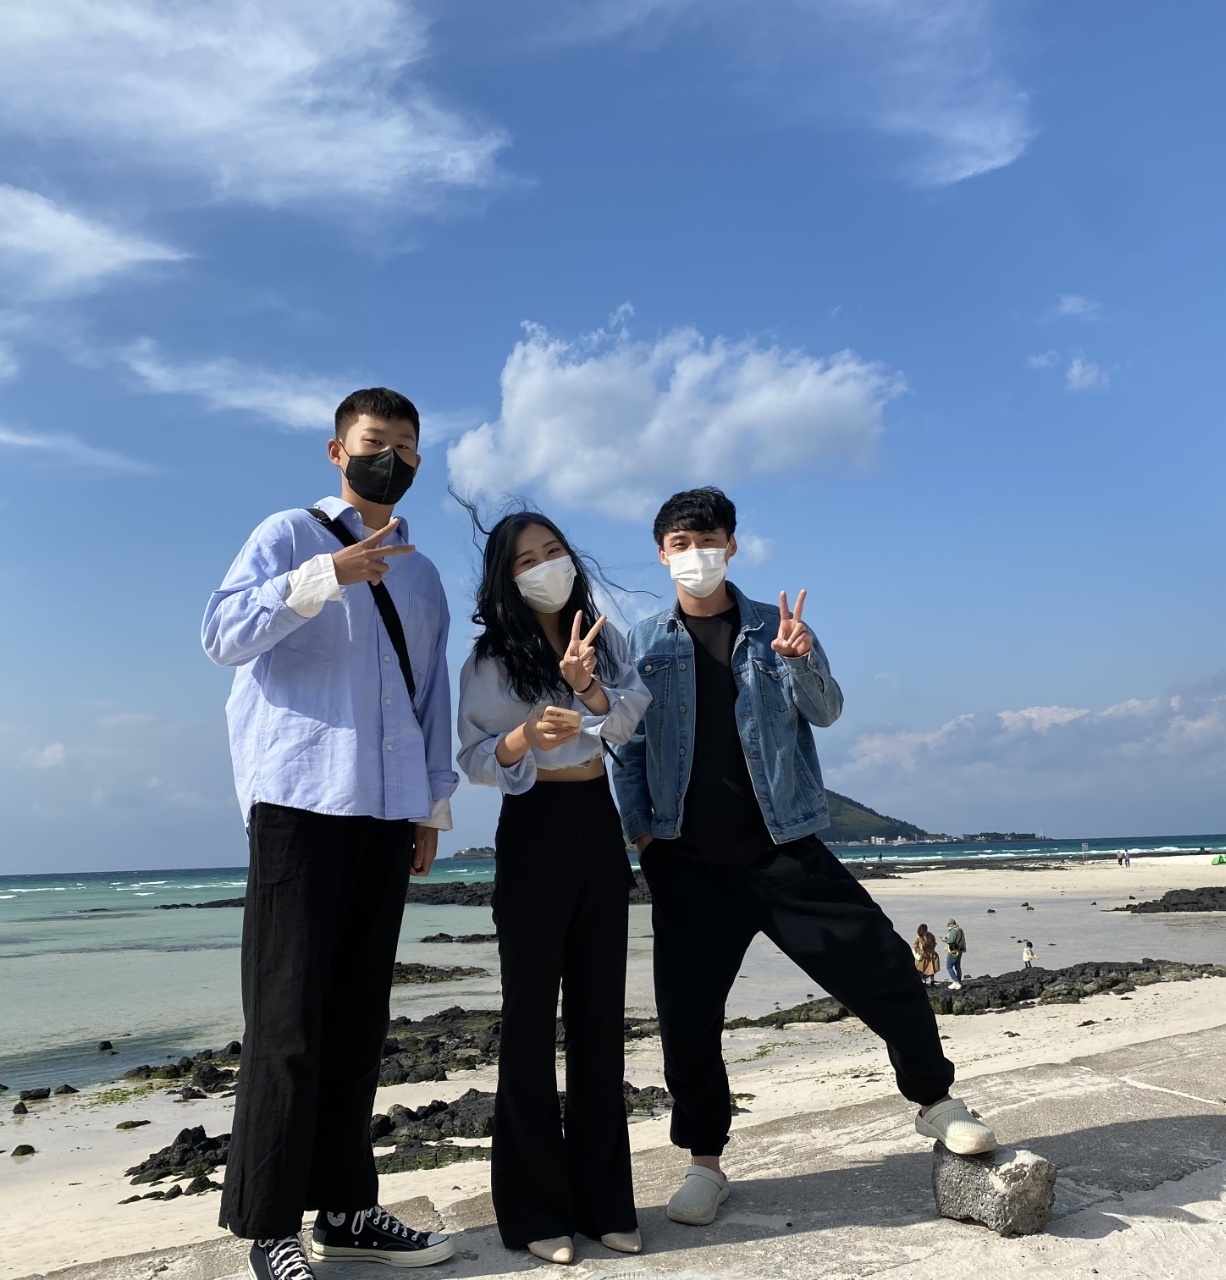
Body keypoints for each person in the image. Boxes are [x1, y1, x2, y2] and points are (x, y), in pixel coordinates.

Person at [613, 487, 995, 1230]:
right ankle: (704, 1163)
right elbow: (626, 746)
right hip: (687, 861)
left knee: (885, 966)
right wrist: (642, 836)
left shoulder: (776, 627)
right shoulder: (641, 644)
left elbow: (827, 711)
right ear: (661, 554)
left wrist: (799, 660)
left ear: (732, 545)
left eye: (708, 539)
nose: (696, 554)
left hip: (784, 847)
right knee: (688, 1020)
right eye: (681, 542)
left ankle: (935, 1101)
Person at [202, 388, 457, 1279]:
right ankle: (267, 1227)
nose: (390, 457)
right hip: (298, 805)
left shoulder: (423, 575)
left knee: (357, 1022)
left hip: (386, 814)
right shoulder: (287, 534)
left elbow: (431, 696)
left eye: (405, 446)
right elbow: (220, 633)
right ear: (337, 451)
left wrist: (430, 809)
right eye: (374, 441)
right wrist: (322, 579)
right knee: (286, 1022)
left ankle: (346, 1210)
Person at [456, 508, 652, 1266]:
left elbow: (627, 720)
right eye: (525, 560)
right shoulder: (489, 659)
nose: (545, 566)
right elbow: (475, 758)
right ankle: (535, 1212)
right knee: (531, 1021)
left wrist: (588, 689)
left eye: (553, 551)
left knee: (601, 1016)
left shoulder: (604, 637)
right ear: (505, 580)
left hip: (597, 822)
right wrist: (523, 736)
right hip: (533, 825)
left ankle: (606, 1204)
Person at [943, 918, 966, 988]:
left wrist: (944, 940)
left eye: (948, 925)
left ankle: (955, 981)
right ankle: (959, 981)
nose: (948, 927)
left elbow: (951, 941)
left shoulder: (953, 931)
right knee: (957, 966)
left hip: (954, 951)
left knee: (948, 966)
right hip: (960, 950)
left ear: (951, 924)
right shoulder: (960, 929)